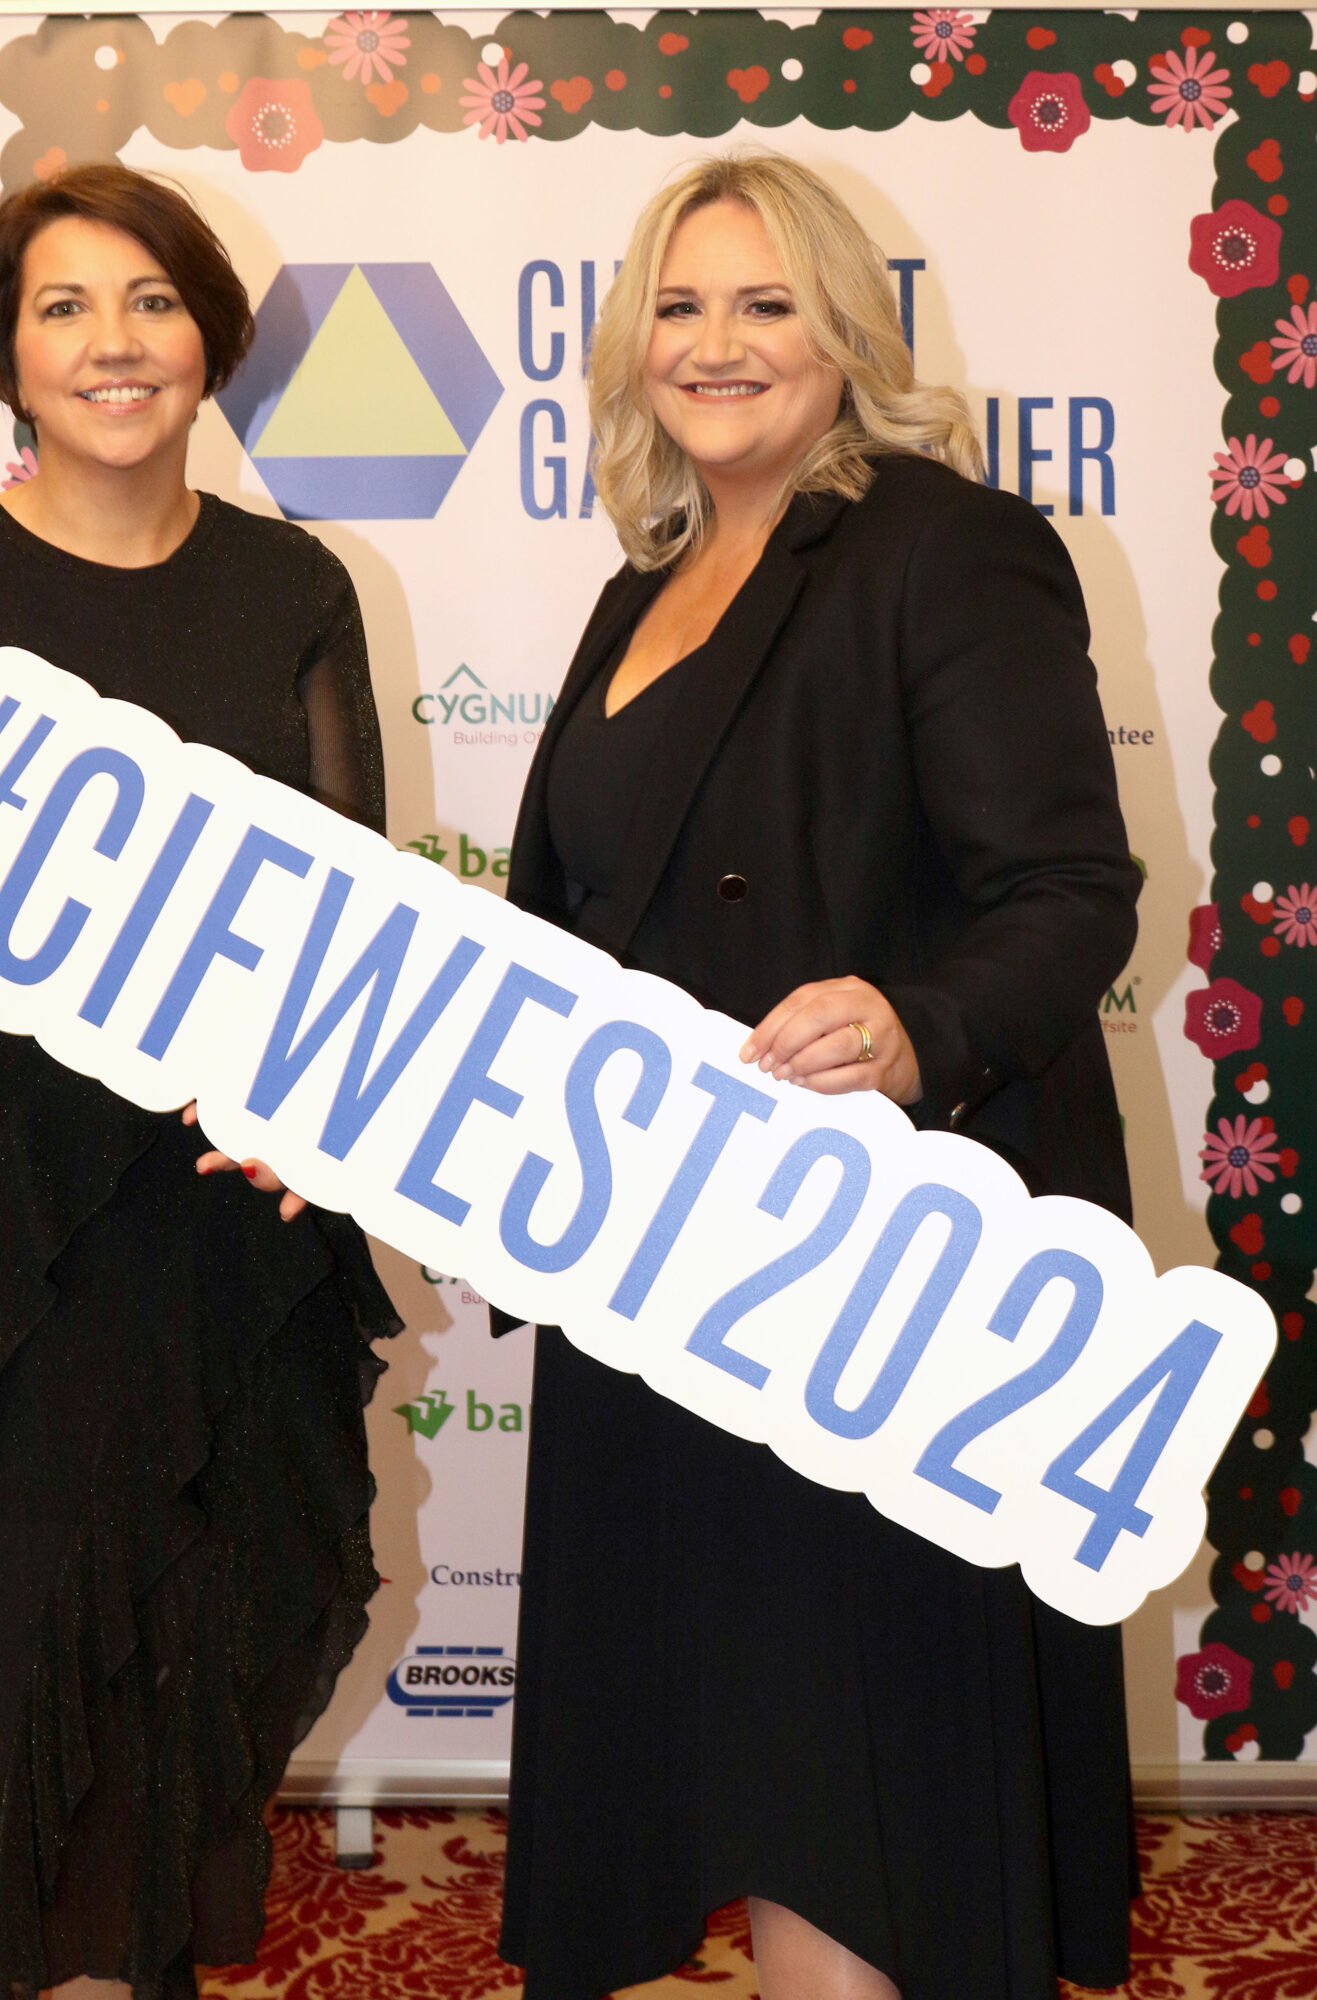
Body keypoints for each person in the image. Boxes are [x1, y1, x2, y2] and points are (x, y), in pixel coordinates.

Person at [493, 152, 1140, 2000]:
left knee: (833, 1787)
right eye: (680, 305)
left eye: (766, 302)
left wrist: (919, 1026)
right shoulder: (638, 588)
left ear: (846, 334)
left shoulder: (945, 546)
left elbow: (1069, 894)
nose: (717, 344)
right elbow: (561, 932)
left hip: (860, 1274)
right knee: (741, 1762)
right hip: (655, 1268)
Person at [0, 165, 399, 2000]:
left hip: (226, 1205)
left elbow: (351, 903)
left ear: (208, 336)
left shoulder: (294, 585)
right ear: (6, 356)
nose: (113, 343)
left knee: (214, 1627)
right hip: (10, 1216)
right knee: (37, 1635)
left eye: (150, 299)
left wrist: (316, 1125)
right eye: (63, 306)